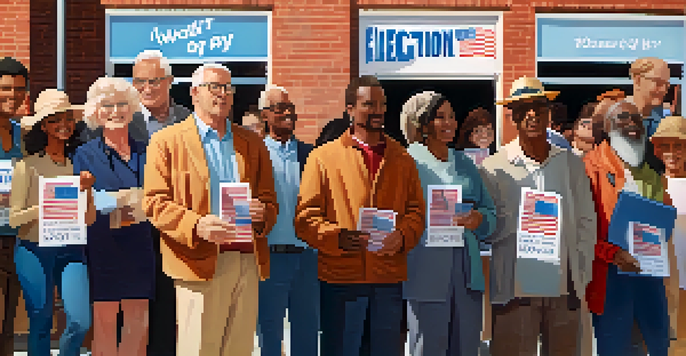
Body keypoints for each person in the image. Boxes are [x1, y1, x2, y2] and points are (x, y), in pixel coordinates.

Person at [143, 63, 278, 356]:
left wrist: (262, 213)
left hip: (245, 259)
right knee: (198, 350)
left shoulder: (252, 142)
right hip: (197, 259)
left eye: (228, 88)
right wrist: (196, 225)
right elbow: (154, 202)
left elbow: (269, 199)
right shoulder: (166, 141)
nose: (223, 94)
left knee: (239, 349)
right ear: (194, 93)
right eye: (214, 87)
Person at [295, 75, 425, 356]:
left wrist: (401, 236)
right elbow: (305, 219)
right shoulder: (322, 158)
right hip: (341, 280)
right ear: (350, 109)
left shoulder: (402, 159)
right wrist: (338, 238)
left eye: (382, 104)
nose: (377, 110)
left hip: (388, 279)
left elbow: (416, 212)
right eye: (369, 104)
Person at [480, 76, 596, 356]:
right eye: (523, 108)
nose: (532, 115)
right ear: (513, 117)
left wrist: (578, 274)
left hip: (562, 287)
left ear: (548, 114)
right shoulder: (493, 167)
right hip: (514, 288)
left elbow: (586, 221)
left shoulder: (570, 164)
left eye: (538, 108)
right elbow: (488, 229)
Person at [401, 91, 497, 355]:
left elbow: (490, 214)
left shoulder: (465, 163)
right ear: (422, 123)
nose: (449, 123)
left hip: (467, 272)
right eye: (440, 117)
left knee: (467, 347)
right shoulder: (406, 161)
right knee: (428, 348)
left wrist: (479, 220)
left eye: (452, 117)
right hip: (425, 269)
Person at [584, 99, 672, 356]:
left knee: (658, 345)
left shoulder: (652, 173)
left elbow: (663, 221)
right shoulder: (589, 168)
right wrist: (612, 255)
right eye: (624, 117)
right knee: (615, 348)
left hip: (649, 275)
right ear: (609, 126)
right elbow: (581, 230)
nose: (633, 124)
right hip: (610, 276)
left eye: (637, 120)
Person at [76, 77, 156, 356]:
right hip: (103, 249)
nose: (115, 110)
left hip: (140, 247)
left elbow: (157, 195)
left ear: (132, 108)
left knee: (138, 323)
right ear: (96, 112)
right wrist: (130, 197)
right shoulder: (85, 154)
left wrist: (116, 199)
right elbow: (87, 202)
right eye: (107, 105)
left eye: (122, 103)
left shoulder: (148, 151)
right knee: (105, 324)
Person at [10, 89, 91, 356]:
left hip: (72, 249)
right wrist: (46, 206)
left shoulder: (79, 164)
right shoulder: (27, 166)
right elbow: (14, 219)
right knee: (41, 322)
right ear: (43, 125)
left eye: (67, 118)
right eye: (55, 119)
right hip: (34, 250)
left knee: (80, 320)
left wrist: (87, 190)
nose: (63, 124)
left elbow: (88, 218)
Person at [255, 85, 317, 356]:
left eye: (290, 109)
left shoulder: (311, 154)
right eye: (280, 109)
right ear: (264, 115)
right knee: (269, 335)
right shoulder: (254, 154)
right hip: (270, 258)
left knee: (307, 334)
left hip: (307, 258)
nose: (287, 114)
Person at [0, 56, 29, 354]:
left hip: (17, 238)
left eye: (19, 89)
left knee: (9, 320)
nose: (13, 95)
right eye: (6, 88)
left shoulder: (24, 134)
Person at [651, 116, 686, 354]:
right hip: (662, 284)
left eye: (679, 145)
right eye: (666, 145)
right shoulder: (651, 186)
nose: (672, 152)